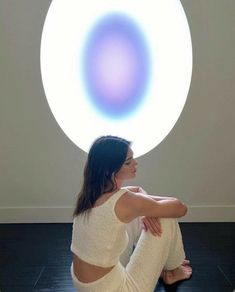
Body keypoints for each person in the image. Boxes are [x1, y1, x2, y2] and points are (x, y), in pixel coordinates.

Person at [71, 135, 192, 292]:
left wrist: (146, 211)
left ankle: (169, 265)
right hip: (115, 289)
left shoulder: (91, 193)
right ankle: (174, 270)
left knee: (149, 212)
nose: (135, 163)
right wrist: (149, 210)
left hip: (86, 285)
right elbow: (180, 207)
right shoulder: (125, 201)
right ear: (110, 170)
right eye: (128, 162)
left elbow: (136, 191)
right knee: (165, 217)